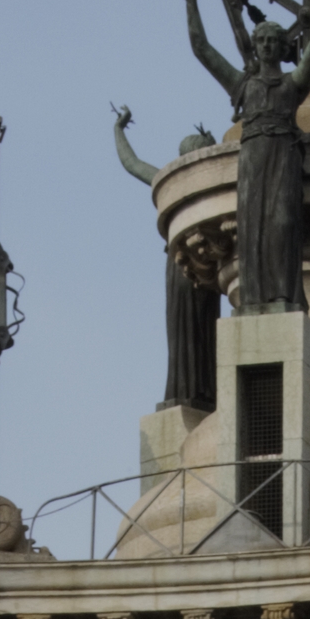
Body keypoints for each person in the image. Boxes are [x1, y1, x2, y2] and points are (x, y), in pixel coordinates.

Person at [184, 0, 310, 315]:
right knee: (252, 226)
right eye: (261, 40)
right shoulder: (243, 85)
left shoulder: (293, 83)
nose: (266, 46)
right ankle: (253, 299)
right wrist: (191, 4)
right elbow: (202, 50)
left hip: (284, 154)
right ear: (256, 45)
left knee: (283, 222)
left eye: (272, 41)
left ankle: (284, 296)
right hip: (253, 156)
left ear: (282, 47)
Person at [111, 106, 221, 413]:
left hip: (186, 262)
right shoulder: (206, 184)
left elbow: (132, 163)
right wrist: (118, 130)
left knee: (187, 329)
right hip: (201, 261)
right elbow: (132, 164)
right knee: (198, 328)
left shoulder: (178, 184)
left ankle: (189, 390)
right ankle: (198, 391)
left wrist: (118, 129)